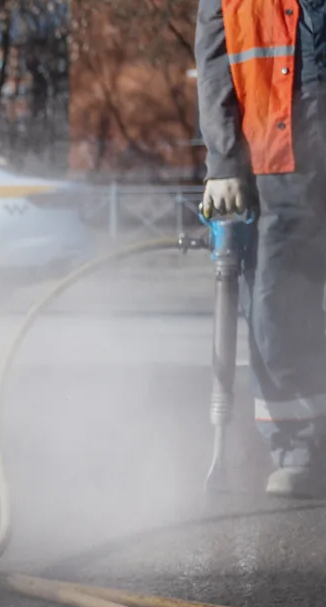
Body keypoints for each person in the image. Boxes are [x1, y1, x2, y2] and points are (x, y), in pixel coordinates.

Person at [197, 0, 326, 497]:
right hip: (281, 157)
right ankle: (300, 447)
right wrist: (225, 162)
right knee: (276, 306)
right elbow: (214, 66)